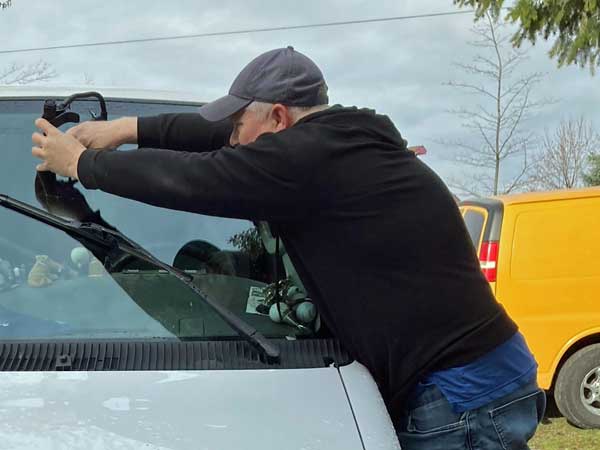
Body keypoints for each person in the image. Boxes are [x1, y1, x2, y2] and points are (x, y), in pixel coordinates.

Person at [31, 46, 545, 448]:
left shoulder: (305, 161)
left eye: (239, 127)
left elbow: (195, 179)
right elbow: (211, 136)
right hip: (478, 374)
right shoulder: (336, 141)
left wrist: (80, 165)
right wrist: (126, 128)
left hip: (461, 396)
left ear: (278, 117)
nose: (231, 140)